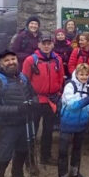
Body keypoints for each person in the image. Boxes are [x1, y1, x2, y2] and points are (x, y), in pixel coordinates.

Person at [53, 63, 89, 177]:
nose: (84, 77)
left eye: (86, 74)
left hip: (82, 124)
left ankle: (75, 172)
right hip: (68, 123)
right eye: (81, 74)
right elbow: (73, 105)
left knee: (77, 149)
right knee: (63, 152)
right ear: (77, 74)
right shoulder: (70, 86)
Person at [22, 34, 65, 166]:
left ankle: (45, 157)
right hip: (36, 100)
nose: (46, 46)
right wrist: (29, 98)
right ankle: (29, 161)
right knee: (32, 132)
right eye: (44, 43)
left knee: (48, 130)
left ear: (52, 44)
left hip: (51, 100)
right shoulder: (30, 60)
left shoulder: (57, 59)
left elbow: (61, 77)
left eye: (49, 43)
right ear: (39, 44)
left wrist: (58, 92)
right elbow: (24, 81)